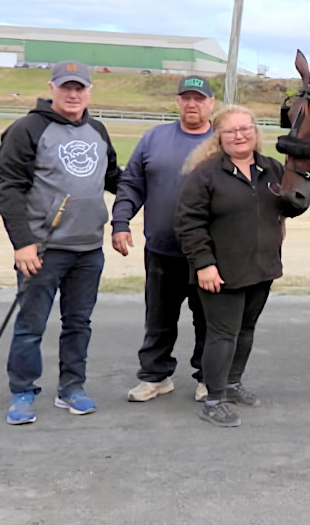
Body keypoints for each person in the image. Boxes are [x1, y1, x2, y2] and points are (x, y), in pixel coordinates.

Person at [0, 61, 122, 425]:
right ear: (51, 88)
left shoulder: (97, 130)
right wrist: (22, 243)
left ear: (89, 91)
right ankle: (22, 391)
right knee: (31, 325)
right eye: (66, 86)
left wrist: (153, 190)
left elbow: (112, 177)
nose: (72, 93)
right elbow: (9, 189)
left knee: (78, 323)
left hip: (88, 250)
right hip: (42, 251)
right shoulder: (28, 129)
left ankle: (72, 389)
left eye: (79, 87)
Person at [175, 105, 306, 427]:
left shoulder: (271, 169)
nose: (239, 135)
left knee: (245, 331)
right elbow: (188, 223)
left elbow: (286, 209)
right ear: (220, 136)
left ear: (255, 131)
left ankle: (232, 384)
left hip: (261, 268)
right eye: (231, 131)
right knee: (223, 335)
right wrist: (204, 264)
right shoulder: (205, 174)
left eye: (245, 128)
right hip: (220, 271)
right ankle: (214, 397)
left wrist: (302, 195)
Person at [112, 76, 216, 402]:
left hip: (209, 252)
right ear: (178, 102)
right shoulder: (154, 138)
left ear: (211, 103)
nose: (191, 104)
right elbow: (131, 184)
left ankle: (208, 377)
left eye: (198, 98)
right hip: (161, 248)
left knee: (209, 320)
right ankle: (155, 376)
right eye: (185, 98)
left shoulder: (223, 140)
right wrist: (121, 221)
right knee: (158, 317)